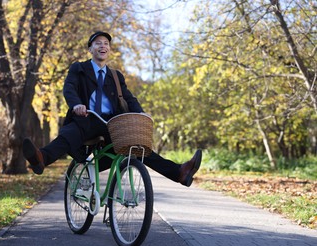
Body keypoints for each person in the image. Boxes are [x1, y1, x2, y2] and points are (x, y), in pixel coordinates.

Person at [23, 31, 202, 187]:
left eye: (106, 44)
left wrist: (140, 112)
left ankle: (179, 172)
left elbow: (129, 98)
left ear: (109, 49)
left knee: (137, 147)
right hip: (86, 118)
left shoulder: (115, 76)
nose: (103, 46)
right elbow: (69, 88)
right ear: (90, 49)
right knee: (68, 135)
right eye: (98, 43)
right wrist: (76, 104)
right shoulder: (79, 68)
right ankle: (41, 158)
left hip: (111, 123)